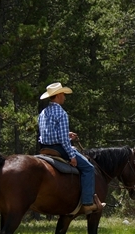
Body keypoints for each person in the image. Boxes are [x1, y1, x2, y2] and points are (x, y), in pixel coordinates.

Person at [38, 82, 103, 215]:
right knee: (88, 168)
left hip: (44, 148)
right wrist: (71, 156)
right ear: (59, 95)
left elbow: (47, 132)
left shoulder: (43, 112)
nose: (65, 98)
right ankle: (87, 203)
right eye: (63, 95)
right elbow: (62, 140)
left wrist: (67, 135)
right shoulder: (61, 113)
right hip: (59, 148)